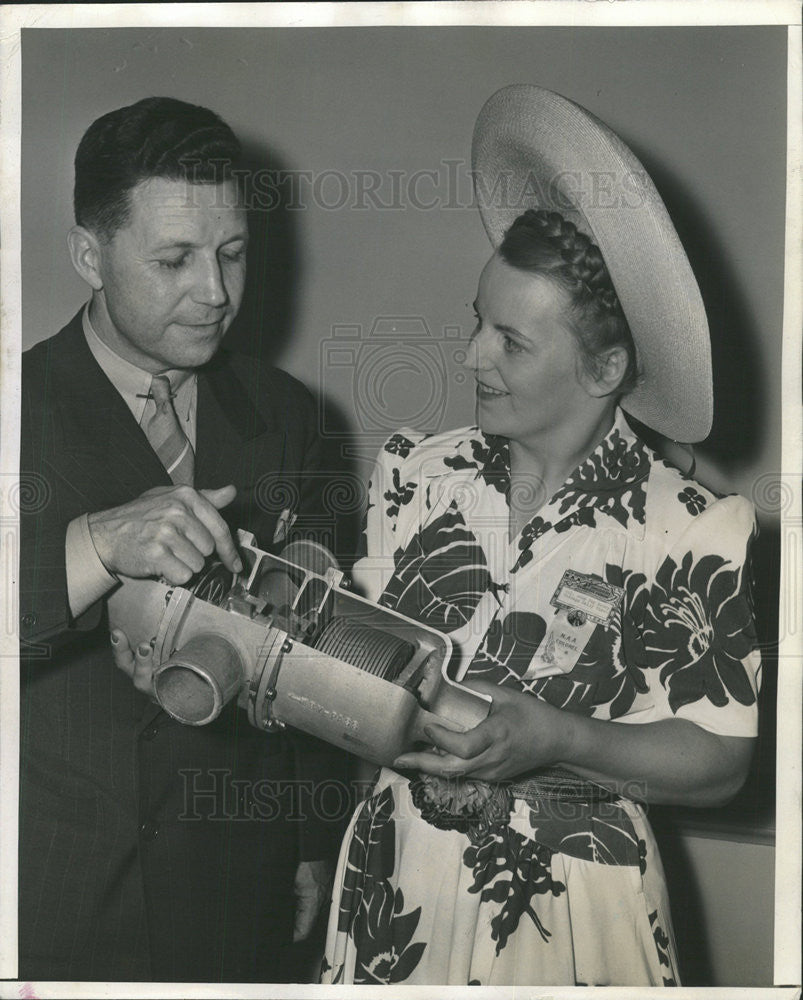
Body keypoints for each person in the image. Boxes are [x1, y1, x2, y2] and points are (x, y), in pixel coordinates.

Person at [321, 85, 761, 986]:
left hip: (571, 918)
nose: (473, 355)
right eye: (474, 322)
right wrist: (291, 626)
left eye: (510, 343)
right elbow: (355, 673)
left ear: (603, 369)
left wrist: (562, 740)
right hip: (397, 885)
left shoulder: (690, 526)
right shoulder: (411, 472)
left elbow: (719, 764)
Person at [19, 96, 344, 982]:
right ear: (90, 255)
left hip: (234, 892)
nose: (216, 293)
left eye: (233, 253)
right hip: (52, 899)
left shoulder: (288, 418)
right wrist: (88, 545)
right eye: (174, 260)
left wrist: (313, 841)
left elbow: (313, 650)